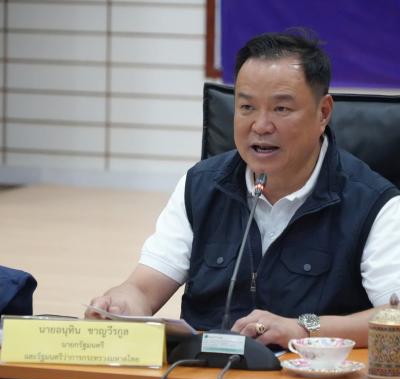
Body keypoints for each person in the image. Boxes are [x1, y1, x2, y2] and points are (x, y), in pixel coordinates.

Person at [85, 29, 400, 349]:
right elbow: (142, 288)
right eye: (247, 107)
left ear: (323, 113)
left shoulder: (374, 204)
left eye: (281, 109)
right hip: (205, 371)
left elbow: (395, 316)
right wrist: (120, 305)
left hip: (306, 373)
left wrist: (303, 328)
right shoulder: (201, 186)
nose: (260, 126)